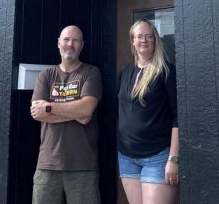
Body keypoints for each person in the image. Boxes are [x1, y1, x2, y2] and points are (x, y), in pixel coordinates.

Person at [30, 25, 102, 204]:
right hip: (47, 164)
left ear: (82, 45)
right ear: (58, 43)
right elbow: (37, 112)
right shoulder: (46, 75)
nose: (70, 44)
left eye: (75, 40)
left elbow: (86, 110)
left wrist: (49, 107)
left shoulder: (90, 72)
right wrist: (76, 112)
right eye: (66, 40)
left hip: (82, 163)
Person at [117, 19, 179, 204]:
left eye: (149, 36)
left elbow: (178, 116)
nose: (144, 40)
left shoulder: (166, 71)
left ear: (155, 40)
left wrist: (173, 159)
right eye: (139, 36)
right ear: (132, 41)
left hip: (158, 157)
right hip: (126, 156)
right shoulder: (126, 71)